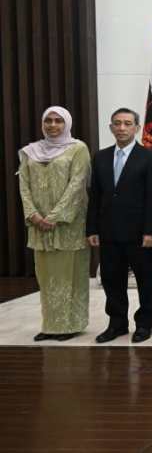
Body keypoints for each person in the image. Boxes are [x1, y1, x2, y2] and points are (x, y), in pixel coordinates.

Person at [87, 108, 152, 344]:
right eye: (117, 123)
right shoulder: (100, 157)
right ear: (111, 127)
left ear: (137, 128)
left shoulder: (150, 158)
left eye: (127, 123)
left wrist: (151, 231)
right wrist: (92, 229)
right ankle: (117, 323)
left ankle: (144, 323)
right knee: (111, 279)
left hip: (140, 233)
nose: (122, 128)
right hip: (108, 231)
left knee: (145, 280)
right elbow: (95, 197)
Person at [18, 106, 91, 342]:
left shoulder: (78, 149)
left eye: (58, 121)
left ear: (67, 124)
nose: (52, 125)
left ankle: (71, 325)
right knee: (46, 276)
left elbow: (77, 185)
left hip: (68, 226)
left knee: (70, 275)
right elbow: (24, 187)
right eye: (48, 120)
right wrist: (34, 215)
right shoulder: (30, 152)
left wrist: (54, 216)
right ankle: (50, 325)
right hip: (39, 226)